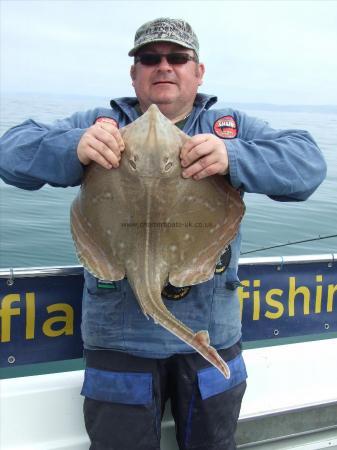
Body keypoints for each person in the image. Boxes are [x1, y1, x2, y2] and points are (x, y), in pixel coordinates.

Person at [0, 17, 327, 450]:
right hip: (119, 341)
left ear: (198, 71)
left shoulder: (227, 127)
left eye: (177, 57)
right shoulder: (100, 123)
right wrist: (74, 146)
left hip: (210, 334)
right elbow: (10, 152)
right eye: (150, 59)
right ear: (134, 73)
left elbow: (308, 167)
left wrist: (232, 156)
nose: (164, 66)